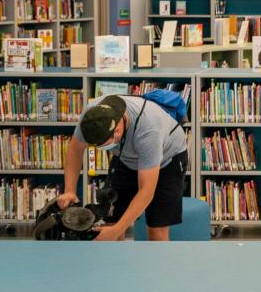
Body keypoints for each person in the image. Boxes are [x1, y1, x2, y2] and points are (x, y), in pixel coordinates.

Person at [60, 93, 188, 241]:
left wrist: (116, 231)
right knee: (112, 221)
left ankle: (159, 263)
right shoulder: (91, 117)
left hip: (168, 159)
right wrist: (69, 191)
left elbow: (146, 192)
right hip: (126, 159)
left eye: (105, 145)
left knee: (156, 227)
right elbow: (75, 150)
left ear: (117, 131)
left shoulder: (148, 130)